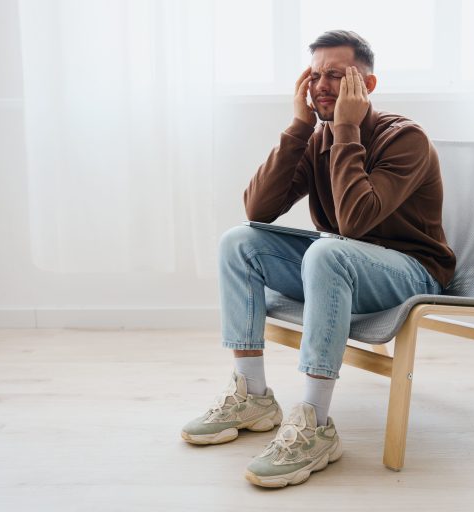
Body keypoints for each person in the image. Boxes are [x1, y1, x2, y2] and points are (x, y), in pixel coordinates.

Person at [181, 30, 456, 488]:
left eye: (336, 76)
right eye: (314, 75)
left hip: (412, 272)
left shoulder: (404, 139)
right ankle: (251, 395)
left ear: (366, 86)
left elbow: (354, 222)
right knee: (239, 241)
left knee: (329, 248)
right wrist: (298, 129)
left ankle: (315, 423)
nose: (321, 86)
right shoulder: (318, 139)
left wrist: (347, 129)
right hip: (345, 265)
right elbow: (258, 210)